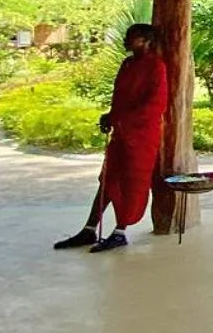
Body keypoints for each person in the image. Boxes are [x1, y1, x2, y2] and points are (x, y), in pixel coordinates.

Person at [53, 23, 171, 253]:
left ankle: (120, 231)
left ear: (146, 41)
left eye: (133, 37)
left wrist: (122, 120)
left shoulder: (156, 67)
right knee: (108, 179)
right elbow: (119, 99)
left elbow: (155, 105)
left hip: (142, 135)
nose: (127, 40)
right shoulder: (127, 64)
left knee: (133, 182)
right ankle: (89, 228)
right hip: (122, 133)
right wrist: (110, 116)